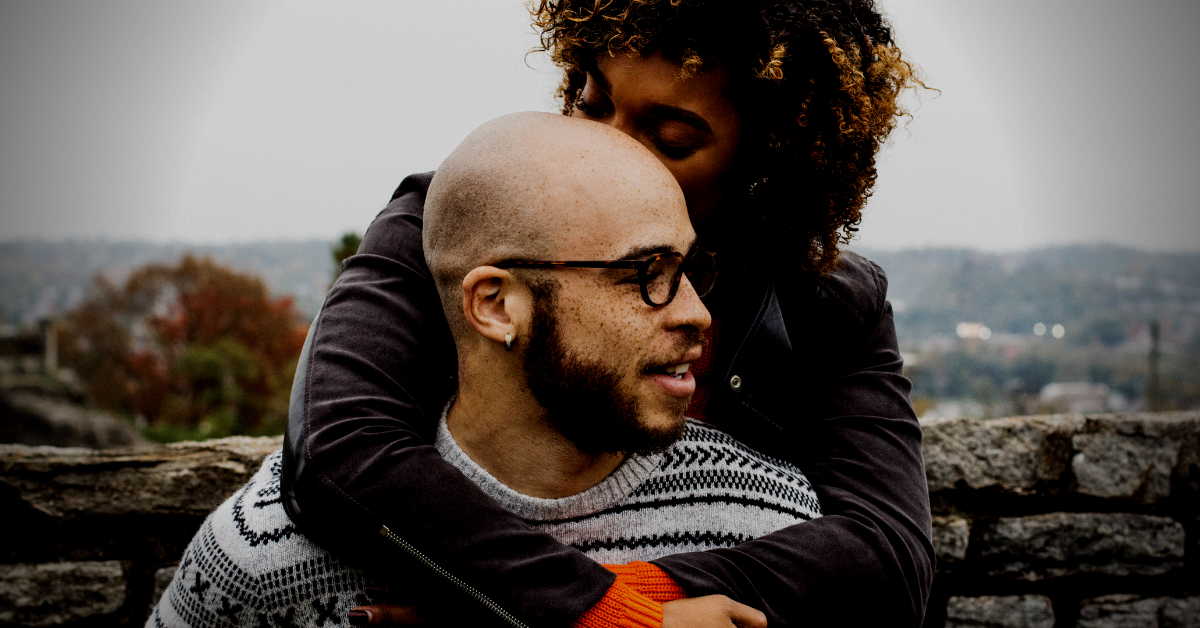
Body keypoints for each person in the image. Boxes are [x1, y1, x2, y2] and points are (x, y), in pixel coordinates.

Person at [284, 1, 934, 627]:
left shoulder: (828, 301)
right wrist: (579, 608)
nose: (607, 145)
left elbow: (887, 559)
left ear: (763, 161)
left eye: (671, 138)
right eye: (590, 104)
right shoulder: (457, 221)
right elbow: (338, 448)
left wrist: (614, 601)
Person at [149, 113, 823, 628]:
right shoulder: (269, 551)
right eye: (645, 274)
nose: (697, 314)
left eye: (689, 270)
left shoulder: (767, 522)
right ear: (496, 306)